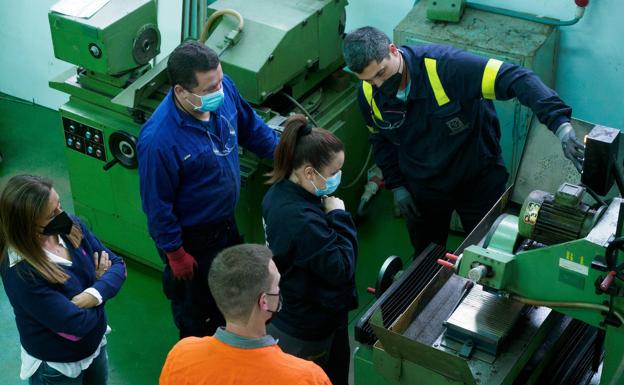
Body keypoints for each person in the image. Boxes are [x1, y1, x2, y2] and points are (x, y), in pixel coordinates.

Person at [342, 26, 585, 255]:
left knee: (487, 249)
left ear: (393, 51)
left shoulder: (448, 67)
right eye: (369, 80)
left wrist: (561, 126)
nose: (379, 84)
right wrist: (397, 186)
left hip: (477, 179)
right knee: (427, 255)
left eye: (381, 73)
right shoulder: (368, 94)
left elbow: (517, 78)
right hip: (424, 187)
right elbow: (380, 140)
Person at [138, 40, 278, 338]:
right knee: (197, 312)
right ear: (180, 91)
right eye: (208, 89)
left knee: (232, 297)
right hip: (192, 242)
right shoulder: (159, 141)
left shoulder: (223, 89)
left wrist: (285, 155)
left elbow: (252, 129)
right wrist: (175, 253)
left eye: (219, 81)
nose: (219, 92)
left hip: (226, 225)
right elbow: (157, 206)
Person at [0, 175, 126, 385]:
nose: (62, 215)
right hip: (58, 368)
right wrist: (103, 284)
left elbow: (118, 266)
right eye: (52, 214)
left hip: (94, 347)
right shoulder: (22, 273)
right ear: (27, 225)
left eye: (58, 204)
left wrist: (93, 294)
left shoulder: (69, 226)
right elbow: (76, 327)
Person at [261, 114, 358, 385]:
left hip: (299, 308)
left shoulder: (278, 193)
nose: (338, 177)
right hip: (311, 326)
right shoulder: (299, 221)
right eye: (333, 173)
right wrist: (339, 217)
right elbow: (341, 268)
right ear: (308, 172)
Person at [159, 244, 332, 385]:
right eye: (277, 285)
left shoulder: (181, 355)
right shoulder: (307, 378)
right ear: (264, 301)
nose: (279, 290)